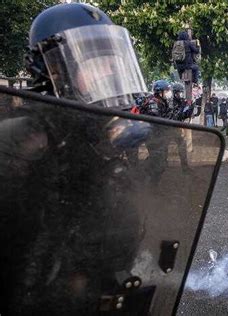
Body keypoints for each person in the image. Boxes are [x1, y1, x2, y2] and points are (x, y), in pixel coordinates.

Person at [3, 3, 152, 314]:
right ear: (54, 69)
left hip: (95, 290)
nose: (110, 72)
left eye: (113, 61)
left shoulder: (95, 132)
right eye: (96, 63)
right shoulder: (24, 137)